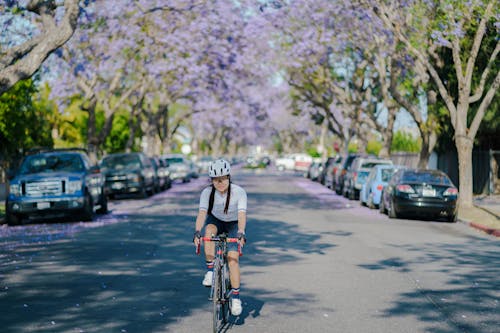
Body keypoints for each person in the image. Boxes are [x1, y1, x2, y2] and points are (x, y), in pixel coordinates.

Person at [193, 158, 247, 316]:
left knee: (232, 258)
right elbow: (202, 214)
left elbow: (242, 214)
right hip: (215, 220)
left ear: (229, 177)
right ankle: (210, 270)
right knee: (208, 231)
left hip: (233, 224)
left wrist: (241, 232)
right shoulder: (207, 193)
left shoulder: (239, 192)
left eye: (222, 179)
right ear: (211, 181)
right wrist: (197, 231)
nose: (220, 182)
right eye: (216, 180)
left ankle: (236, 298)